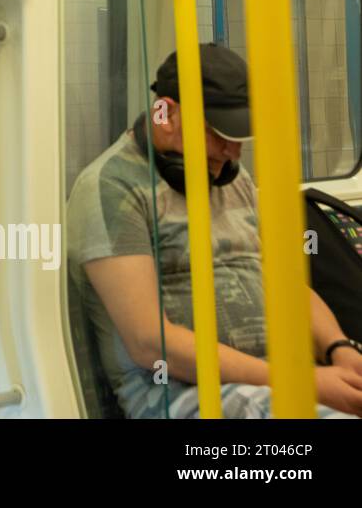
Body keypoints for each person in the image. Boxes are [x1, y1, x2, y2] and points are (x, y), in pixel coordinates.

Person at [67, 43, 362, 418]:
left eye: (239, 136)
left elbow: (284, 283)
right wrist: (293, 382)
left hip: (276, 374)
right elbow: (149, 343)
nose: (233, 152)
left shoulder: (227, 177)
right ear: (165, 113)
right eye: (218, 133)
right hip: (182, 392)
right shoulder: (112, 188)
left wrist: (340, 349)